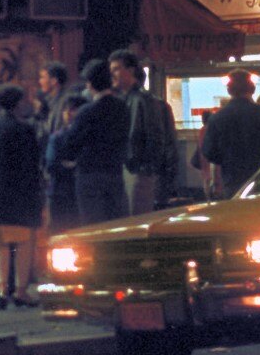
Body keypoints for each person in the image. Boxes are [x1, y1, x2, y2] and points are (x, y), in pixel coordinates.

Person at [0, 84, 46, 308]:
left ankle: (2, 289)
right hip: (20, 195)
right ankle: (21, 290)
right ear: (17, 103)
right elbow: (32, 165)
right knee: (24, 243)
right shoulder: (25, 130)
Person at [52, 59, 131, 225]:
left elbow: (70, 144)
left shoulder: (86, 111)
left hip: (89, 174)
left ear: (89, 84)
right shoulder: (122, 107)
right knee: (117, 222)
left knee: (94, 224)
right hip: (115, 171)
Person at [198, 69, 260, 200]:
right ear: (252, 89)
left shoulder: (218, 118)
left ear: (229, 91)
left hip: (231, 179)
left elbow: (209, 152)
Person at [110, 49, 177, 213]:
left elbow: (155, 137)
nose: (113, 75)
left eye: (117, 69)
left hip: (137, 170)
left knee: (136, 217)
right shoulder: (127, 99)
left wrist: (145, 168)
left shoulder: (142, 100)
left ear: (131, 70)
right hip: (131, 168)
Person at [44, 93, 87, 234]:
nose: (68, 113)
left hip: (78, 191)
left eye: (73, 109)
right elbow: (51, 164)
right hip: (60, 192)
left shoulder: (87, 136)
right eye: (65, 110)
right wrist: (74, 165)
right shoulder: (57, 137)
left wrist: (67, 164)